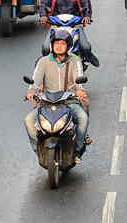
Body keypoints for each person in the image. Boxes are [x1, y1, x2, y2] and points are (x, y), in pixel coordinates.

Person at [24, 29, 89, 163]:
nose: (59, 46)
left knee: (83, 118)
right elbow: (36, 80)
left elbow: (78, 78)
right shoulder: (43, 61)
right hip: (47, 103)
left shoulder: (74, 61)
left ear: (68, 46)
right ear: (52, 45)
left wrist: (80, 90)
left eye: (62, 44)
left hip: (69, 102)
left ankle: (77, 150)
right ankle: (40, 150)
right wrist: (31, 91)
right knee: (28, 120)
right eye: (56, 43)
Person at [38, 0, 99, 66]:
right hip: (56, 25)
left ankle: (89, 56)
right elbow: (43, 5)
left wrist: (87, 16)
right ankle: (45, 65)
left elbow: (86, 4)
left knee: (85, 46)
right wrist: (43, 16)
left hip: (75, 25)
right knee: (45, 47)